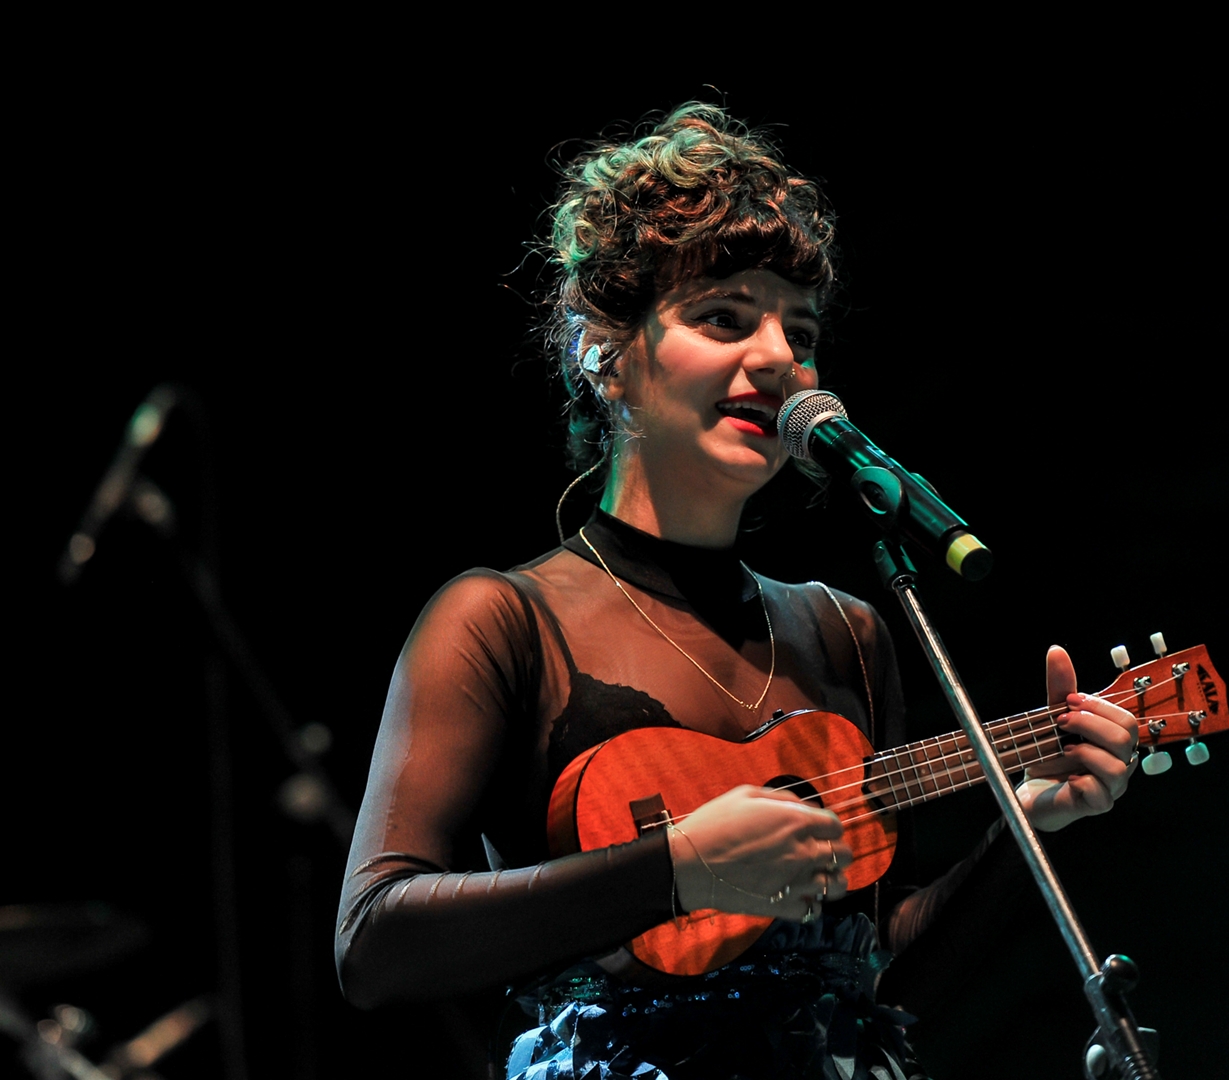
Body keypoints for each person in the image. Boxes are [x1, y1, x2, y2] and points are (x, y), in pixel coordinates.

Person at [334, 103, 1140, 1080]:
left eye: (799, 332)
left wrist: (1025, 827)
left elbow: (875, 982)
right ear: (606, 352)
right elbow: (373, 942)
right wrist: (674, 869)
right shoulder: (502, 622)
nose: (777, 359)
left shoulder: (847, 633)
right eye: (724, 317)